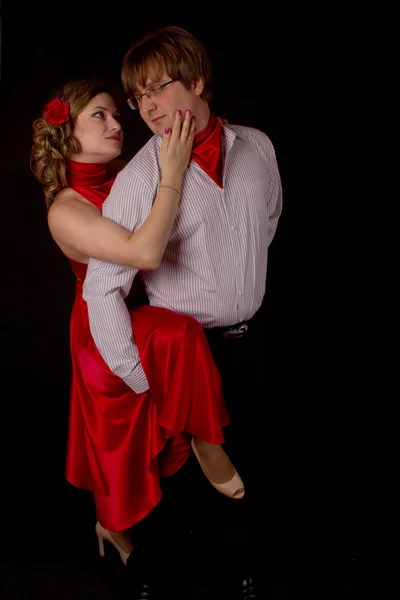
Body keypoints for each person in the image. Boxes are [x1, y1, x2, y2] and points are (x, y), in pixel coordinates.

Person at [82, 26, 283, 600]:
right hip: (182, 351)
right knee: (180, 483)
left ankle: (243, 569)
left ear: (197, 82)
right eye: (136, 96)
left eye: (157, 89)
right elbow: (103, 290)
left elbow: (267, 219)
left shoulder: (259, 147)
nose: (144, 107)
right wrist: (143, 379)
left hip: (250, 341)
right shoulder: (139, 178)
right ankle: (157, 569)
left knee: (249, 466)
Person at [30, 77, 246, 578]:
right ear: (67, 134)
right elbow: (144, 252)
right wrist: (169, 173)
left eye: (115, 113)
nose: (116, 123)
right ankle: (120, 519)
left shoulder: (125, 173)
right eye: (99, 116)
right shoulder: (66, 209)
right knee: (126, 442)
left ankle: (186, 513)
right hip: (104, 330)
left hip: (144, 308)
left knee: (185, 336)